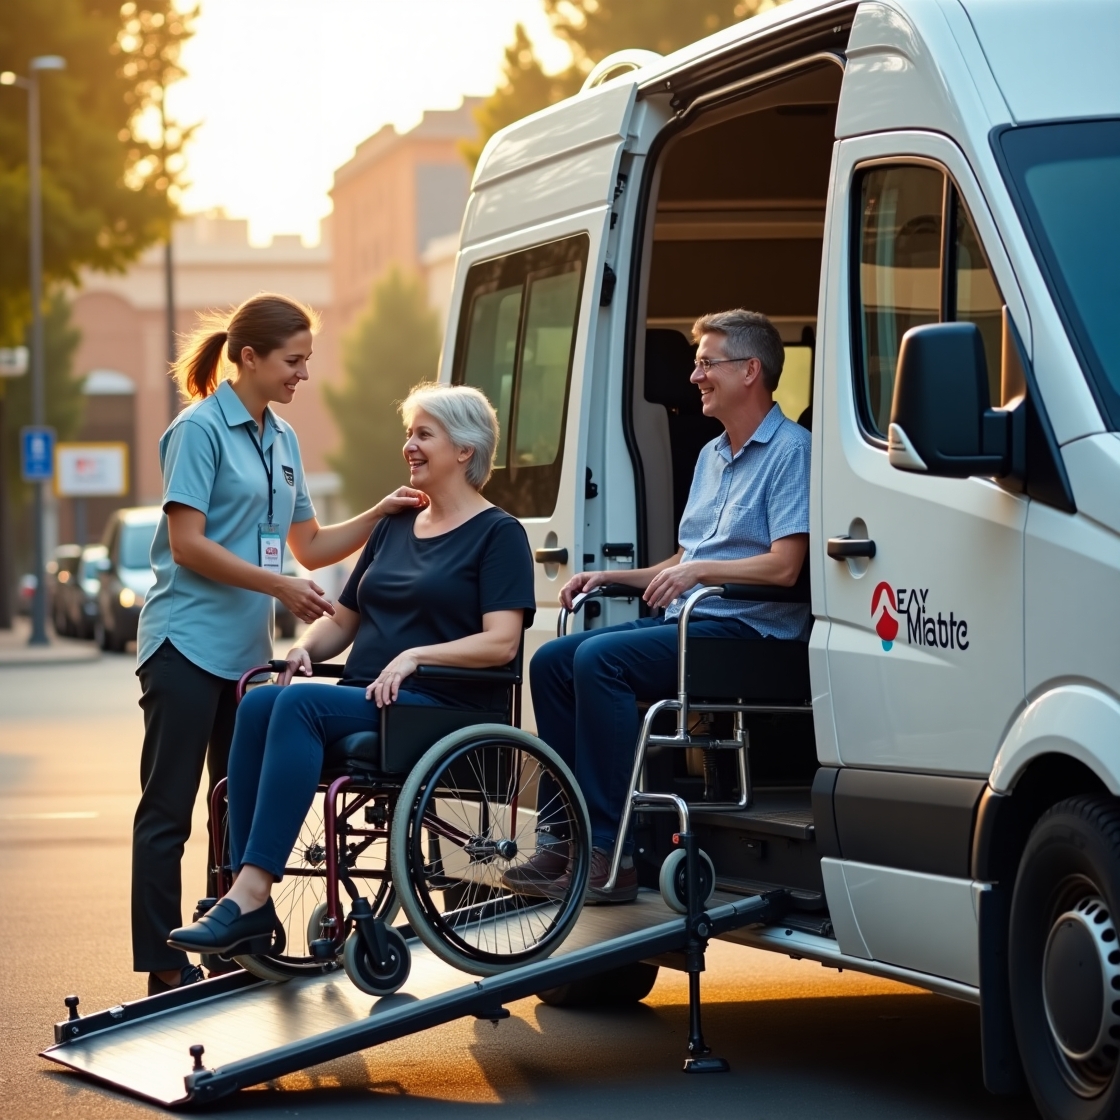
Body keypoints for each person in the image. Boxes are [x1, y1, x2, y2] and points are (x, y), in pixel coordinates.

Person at [166, 384, 536, 955]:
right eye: (409, 434)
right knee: (264, 697)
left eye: (423, 435)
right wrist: (307, 650)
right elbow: (345, 617)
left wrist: (416, 657)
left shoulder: (499, 534)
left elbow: (502, 643)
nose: (409, 446)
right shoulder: (395, 525)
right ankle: (243, 888)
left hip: (441, 706)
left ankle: (251, 893)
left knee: (300, 704)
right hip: (375, 698)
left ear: (465, 451)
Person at [134, 293, 413, 996]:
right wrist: (280, 586)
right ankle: (162, 963)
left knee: (232, 805)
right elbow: (186, 544)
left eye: (307, 361)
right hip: (184, 645)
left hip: (245, 656)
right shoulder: (197, 431)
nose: (303, 375)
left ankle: (227, 937)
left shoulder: (282, 439)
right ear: (250, 358)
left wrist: (379, 514)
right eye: (294, 361)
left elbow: (310, 547)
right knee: (168, 810)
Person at [508, 309, 811, 904]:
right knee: (552, 661)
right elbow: (685, 556)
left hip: (753, 638)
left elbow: (785, 567)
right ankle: (561, 837)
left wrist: (699, 571)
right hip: (698, 625)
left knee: (601, 661)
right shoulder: (710, 455)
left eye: (706, 363)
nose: (694, 376)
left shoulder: (791, 452)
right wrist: (610, 576)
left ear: (750, 371)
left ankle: (609, 850)